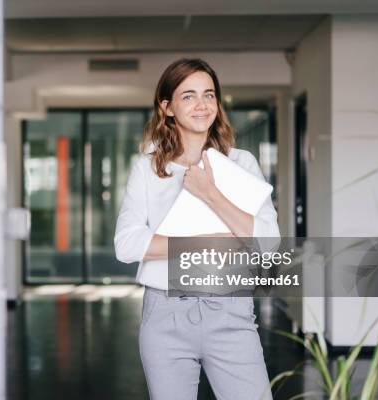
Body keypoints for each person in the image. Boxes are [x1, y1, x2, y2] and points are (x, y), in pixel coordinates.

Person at [114, 58, 279, 400]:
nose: (202, 105)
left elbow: (268, 242)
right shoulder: (148, 168)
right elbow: (127, 244)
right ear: (167, 107)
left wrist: (210, 193)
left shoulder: (241, 163)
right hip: (165, 315)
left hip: (230, 313)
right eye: (188, 96)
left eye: (209, 95)